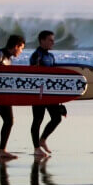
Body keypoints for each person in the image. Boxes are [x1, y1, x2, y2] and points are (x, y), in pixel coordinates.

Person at [29, 30, 65, 158]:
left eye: (53, 39)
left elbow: (55, 76)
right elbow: (34, 75)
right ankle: (36, 148)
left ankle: (42, 139)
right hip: (38, 93)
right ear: (42, 40)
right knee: (37, 120)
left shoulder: (51, 56)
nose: (53, 42)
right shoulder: (36, 56)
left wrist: (60, 99)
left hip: (50, 93)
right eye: (50, 40)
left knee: (57, 118)